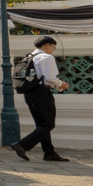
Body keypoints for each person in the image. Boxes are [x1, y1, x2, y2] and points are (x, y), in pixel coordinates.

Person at [12, 35, 70, 163]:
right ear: (46, 45)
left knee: (42, 124)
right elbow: (50, 77)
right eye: (53, 47)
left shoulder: (29, 56)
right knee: (48, 124)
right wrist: (60, 84)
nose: (53, 50)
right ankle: (22, 145)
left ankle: (49, 153)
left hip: (29, 92)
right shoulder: (46, 57)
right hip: (41, 93)